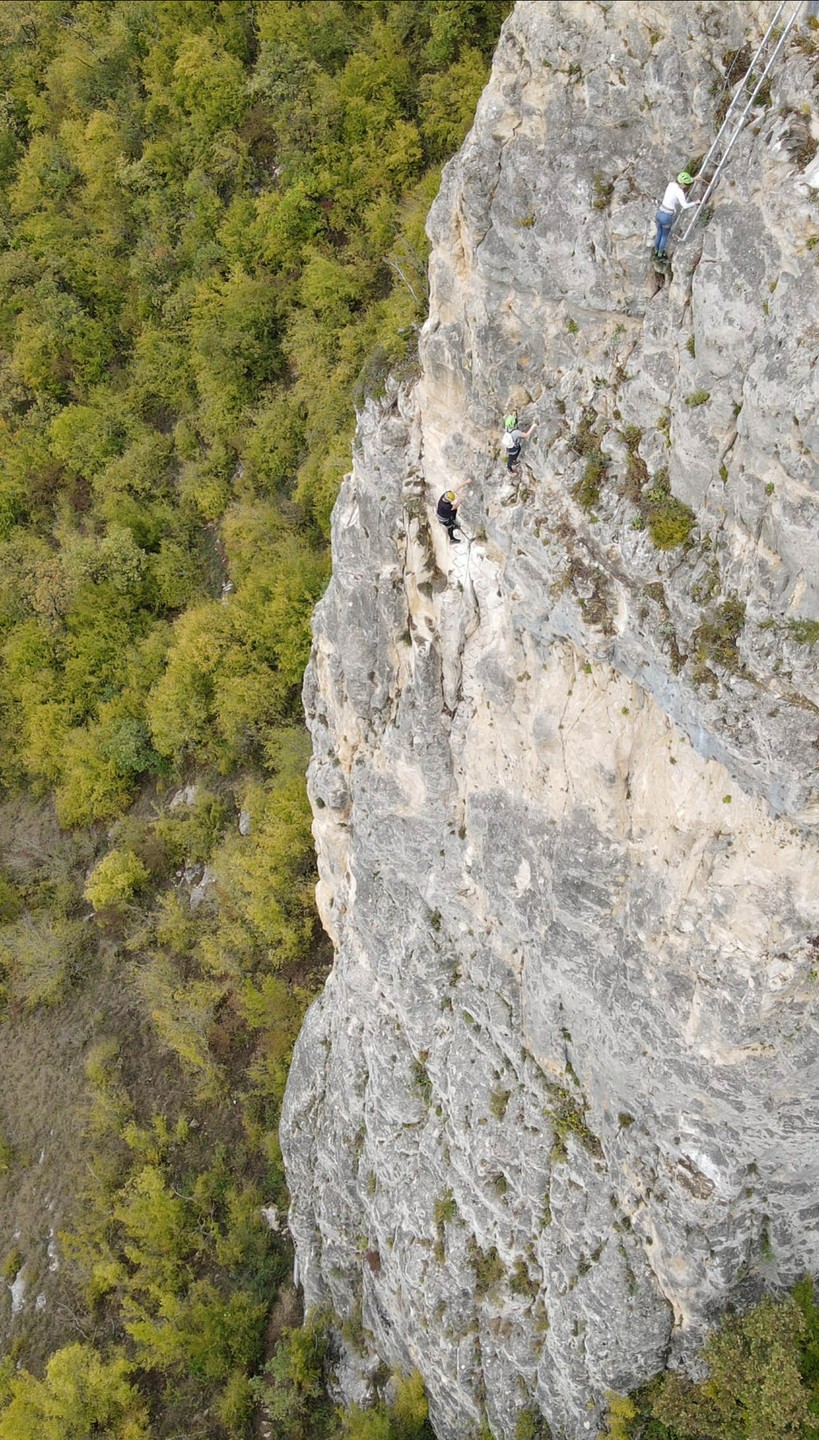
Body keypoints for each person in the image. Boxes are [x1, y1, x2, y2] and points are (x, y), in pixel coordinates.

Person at [654, 171, 697, 258]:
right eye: (686, 186)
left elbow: (682, 184)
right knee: (664, 236)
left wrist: (694, 179)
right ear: (683, 185)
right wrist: (695, 202)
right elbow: (685, 205)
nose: (686, 187)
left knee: (659, 233)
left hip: (660, 212)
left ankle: (656, 251)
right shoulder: (679, 191)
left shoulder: (671, 184)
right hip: (667, 216)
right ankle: (660, 254)